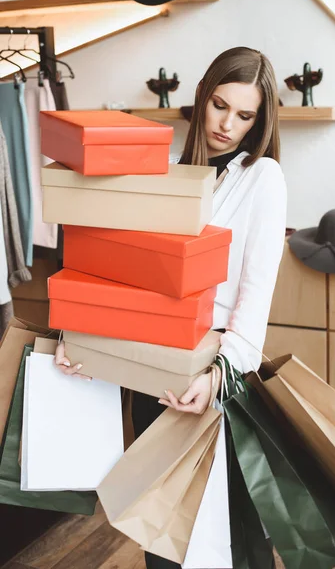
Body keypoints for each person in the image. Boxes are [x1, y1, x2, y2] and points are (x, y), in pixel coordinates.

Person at [54, 46, 287, 569]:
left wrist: (219, 375)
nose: (227, 124)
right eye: (220, 105)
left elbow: (256, 296)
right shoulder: (168, 174)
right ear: (203, 98)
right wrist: (85, 341)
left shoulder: (263, 178)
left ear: (260, 120)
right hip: (153, 373)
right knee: (159, 538)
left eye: (244, 115)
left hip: (210, 376)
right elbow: (131, 281)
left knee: (215, 540)